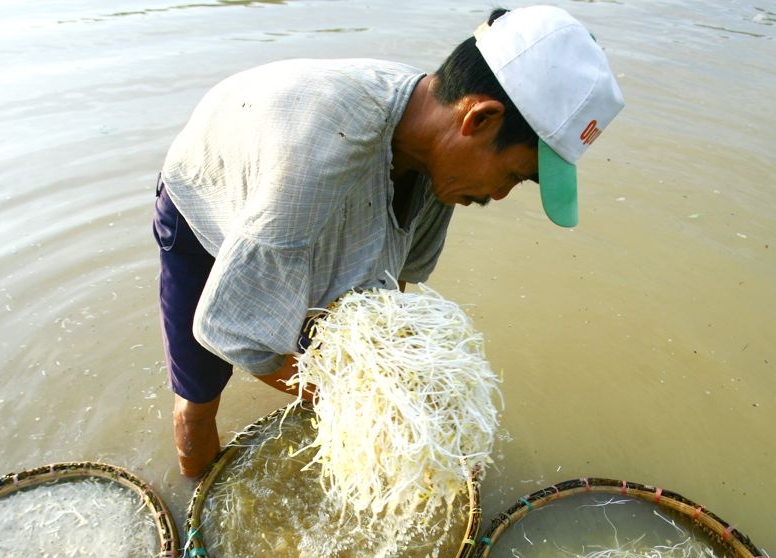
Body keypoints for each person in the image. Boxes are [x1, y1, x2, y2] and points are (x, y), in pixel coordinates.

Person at [153, 5, 624, 477]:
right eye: (515, 176)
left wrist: (398, 381)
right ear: (479, 119)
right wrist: (369, 402)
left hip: (291, 209)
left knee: (342, 344)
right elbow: (231, 332)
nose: (499, 195)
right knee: (199, 394)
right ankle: (196, 500)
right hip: (210, 195)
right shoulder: (314, 162)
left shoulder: (440, 156)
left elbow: (389, 296)